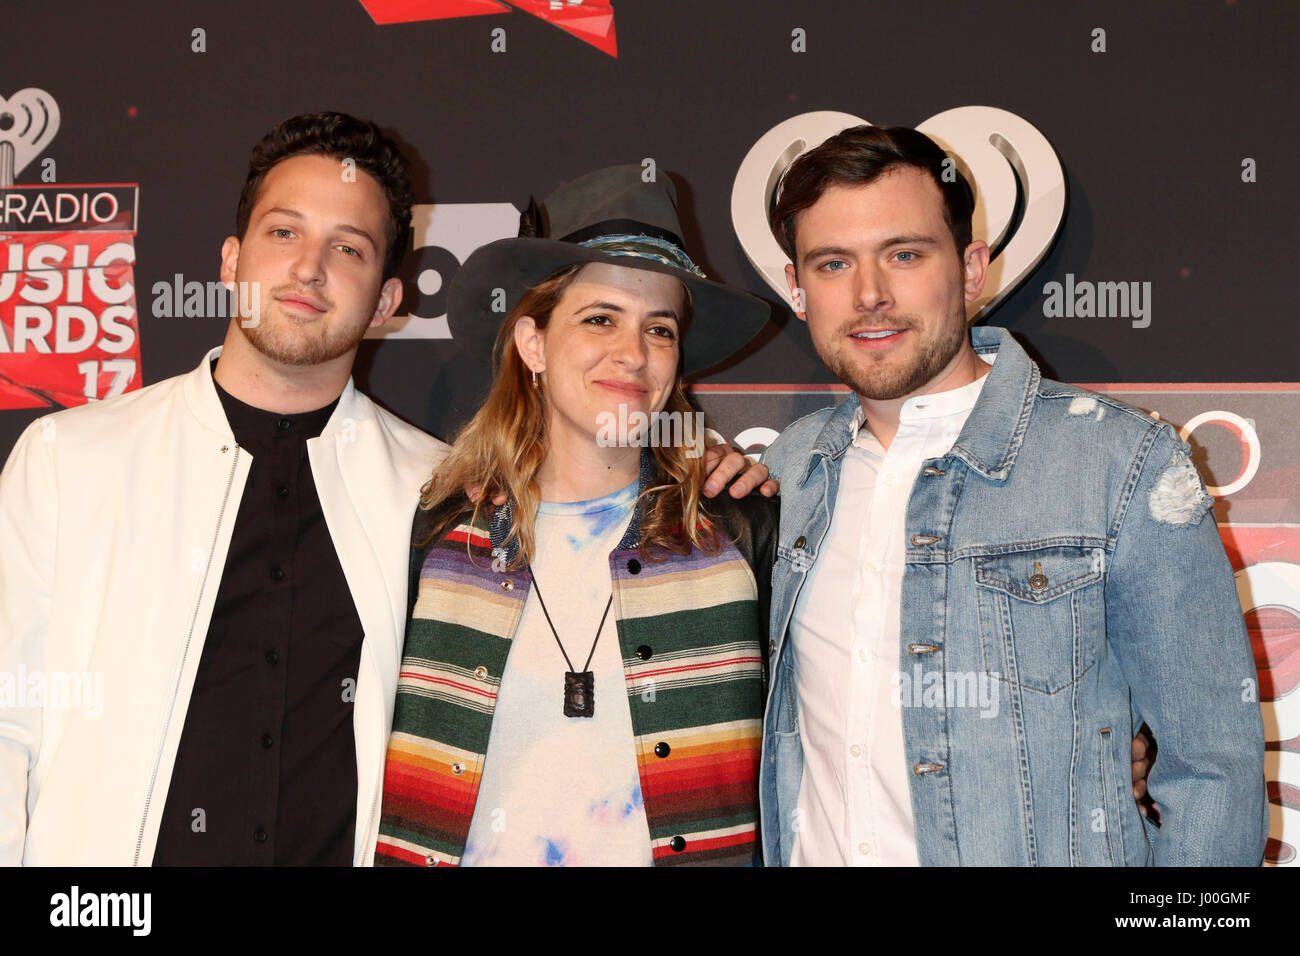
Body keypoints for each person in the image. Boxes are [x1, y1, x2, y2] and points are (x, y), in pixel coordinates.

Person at [757, 125, 1267, 866]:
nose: (870, 294)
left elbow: (1212, 769)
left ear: (970, 270)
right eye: (834, 263)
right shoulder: (787, 472)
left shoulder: (1119, 464)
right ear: (798, 290)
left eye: (904, 254)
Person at [373, 165, 778, 866]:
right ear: (533, 344)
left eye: (660, 329)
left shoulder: (737, 530)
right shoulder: (439, 534)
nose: (633, 354)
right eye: (599, 319)